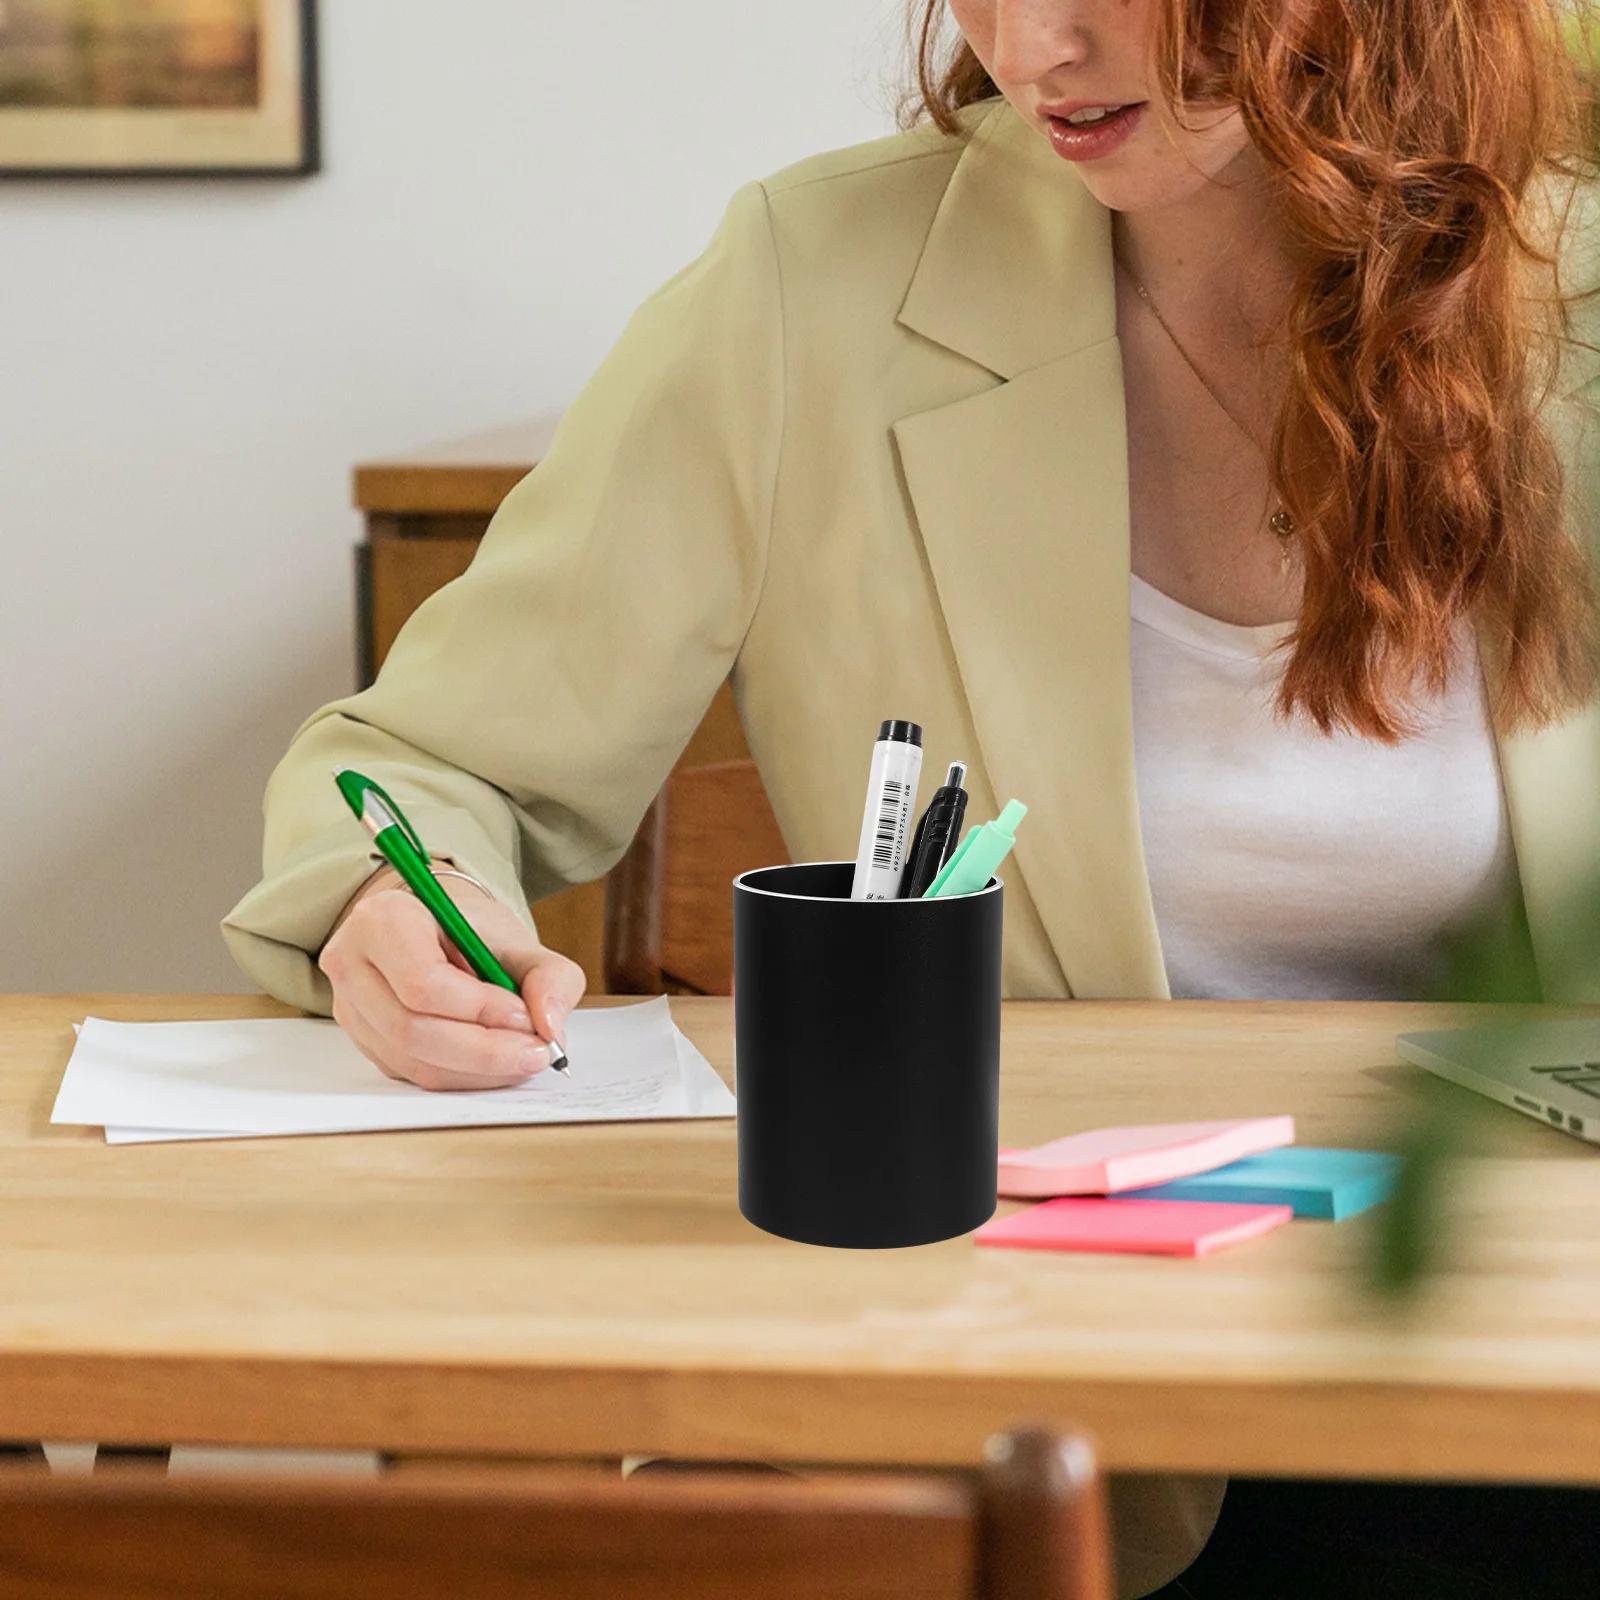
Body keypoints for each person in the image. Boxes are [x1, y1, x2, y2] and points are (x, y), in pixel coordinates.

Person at [225, 1, 1600, 1593]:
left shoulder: (1565, 285)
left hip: (1525, 1352)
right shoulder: (813, 288)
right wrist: (387, 902)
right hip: (1020, 1377)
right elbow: (422, 766)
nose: (1034, 48)